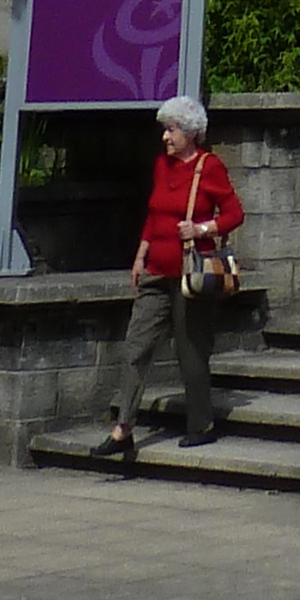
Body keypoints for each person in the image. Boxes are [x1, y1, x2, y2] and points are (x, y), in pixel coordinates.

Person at [103, 95, 244, 469]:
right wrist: (140, 253)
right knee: (136, 347)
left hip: (189, 274)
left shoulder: (208, 167)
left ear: (191, 133)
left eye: (172, 129)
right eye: (165, 129)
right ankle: (123, 427)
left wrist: (200, 228)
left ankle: (201, 423)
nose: (166, 137)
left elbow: (234, 213)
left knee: (190, 350)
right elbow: (153, 213)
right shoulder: (162, 167)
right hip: (156, 270)